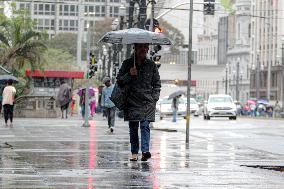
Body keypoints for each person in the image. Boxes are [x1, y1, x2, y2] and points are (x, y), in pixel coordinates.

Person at [116, 43, 161, 162]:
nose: (143, 49)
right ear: (135, 48)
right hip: (131, 101)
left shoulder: (151, 65)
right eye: (140, 47)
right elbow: (119, 81)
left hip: (147, 101)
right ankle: (134, 152)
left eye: (145, 47)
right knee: (133, 127)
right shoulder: (127, 63)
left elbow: (157, 84)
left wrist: (154, 98)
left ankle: (145, 151)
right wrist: (129, 74)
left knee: (145, 125)